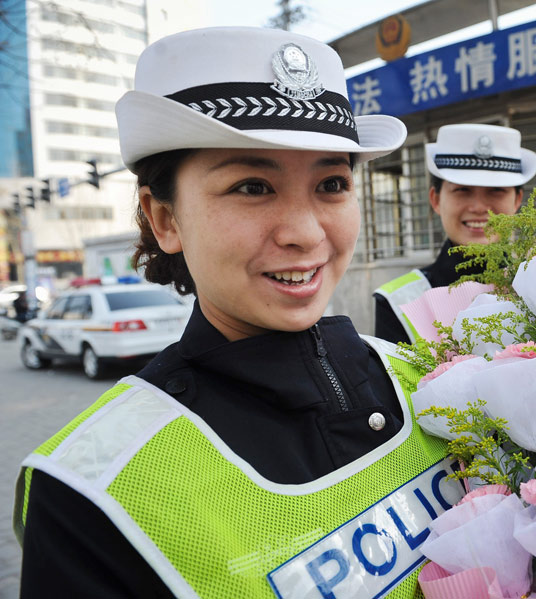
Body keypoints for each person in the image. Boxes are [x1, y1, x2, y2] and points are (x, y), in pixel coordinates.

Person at [14, 27, 463, 598]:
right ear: (165, 220)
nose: (305, 233)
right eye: (252, 186)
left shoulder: (423, 378)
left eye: (331, 183)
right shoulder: (94, 490)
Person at [373, 123, 536, 344]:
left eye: (496, 190)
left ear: (517, 200)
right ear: (435, 199)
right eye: (462, 190)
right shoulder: (400, 302)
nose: (479, 207)